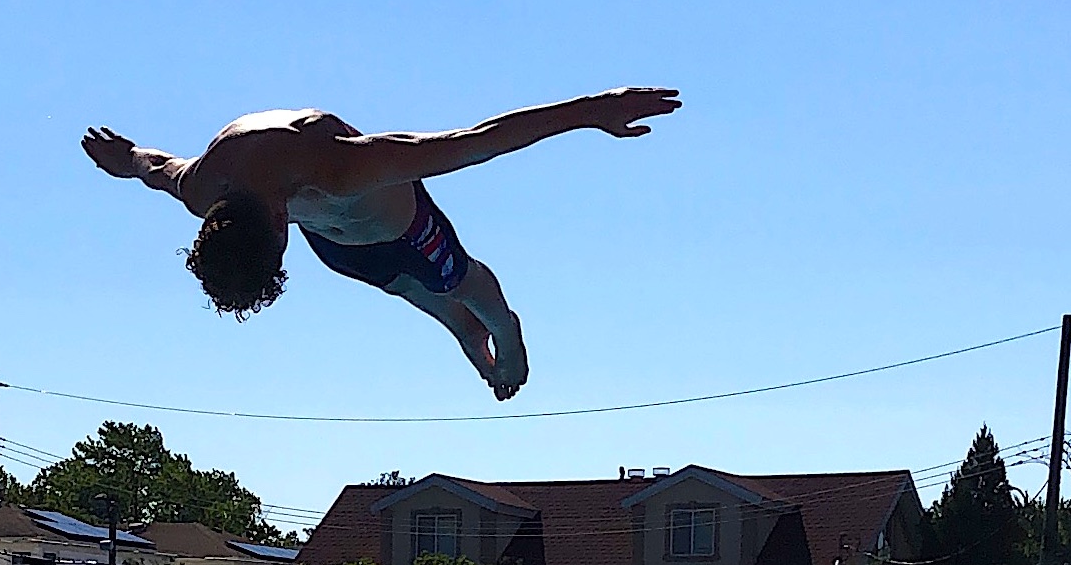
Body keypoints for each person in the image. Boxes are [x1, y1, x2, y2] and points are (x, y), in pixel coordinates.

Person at [82, 89, 682, 399]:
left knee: (458, 282)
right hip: (344, 247)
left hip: (405, 228)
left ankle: (505, 331)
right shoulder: (202, 187)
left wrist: (591, 112)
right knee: (411, 294)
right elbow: (151, 164)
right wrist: (123, 158)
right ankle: (462, 330)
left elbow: (478, 140)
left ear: (273, 216)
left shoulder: (341, 166)